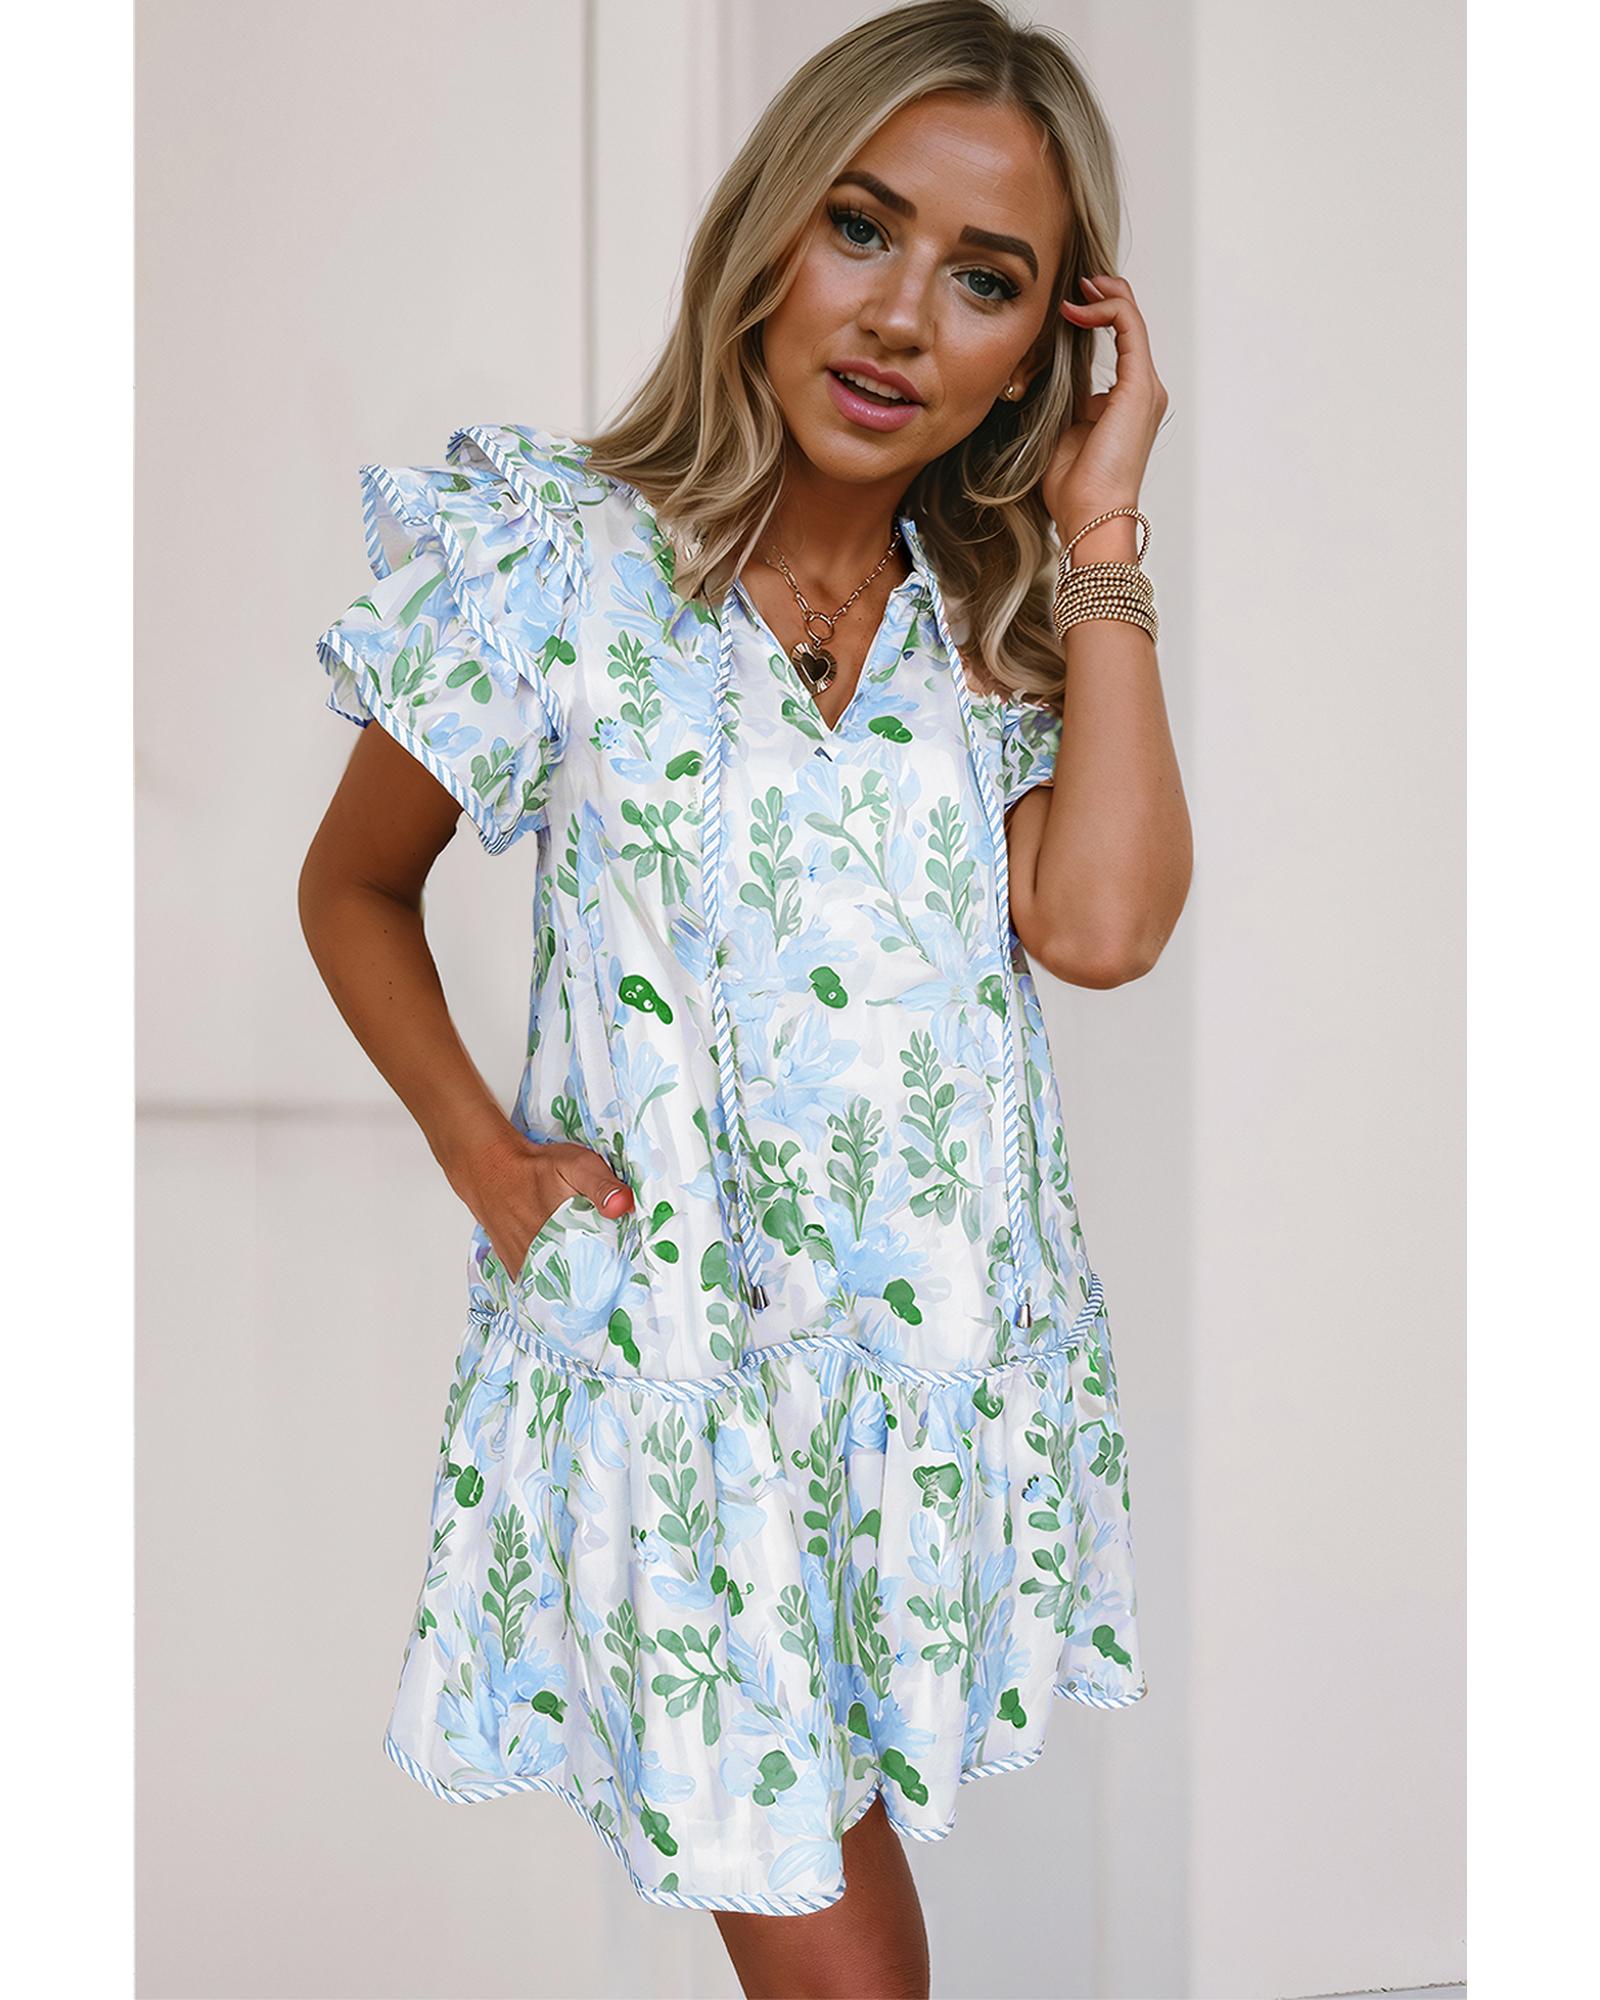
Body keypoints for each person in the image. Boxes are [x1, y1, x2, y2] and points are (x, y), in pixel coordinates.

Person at [299, 1, 1190, 1991]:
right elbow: (352, 886)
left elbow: (1104, 924)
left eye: (986, 280)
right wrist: (490, 1168)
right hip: (677, 1391)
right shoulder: (554, 561)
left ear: (1037, 350)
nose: (900, 318)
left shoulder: (997, 627)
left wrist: (1101, 527)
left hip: (905, 1408)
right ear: (769, 231)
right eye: (861, 228)